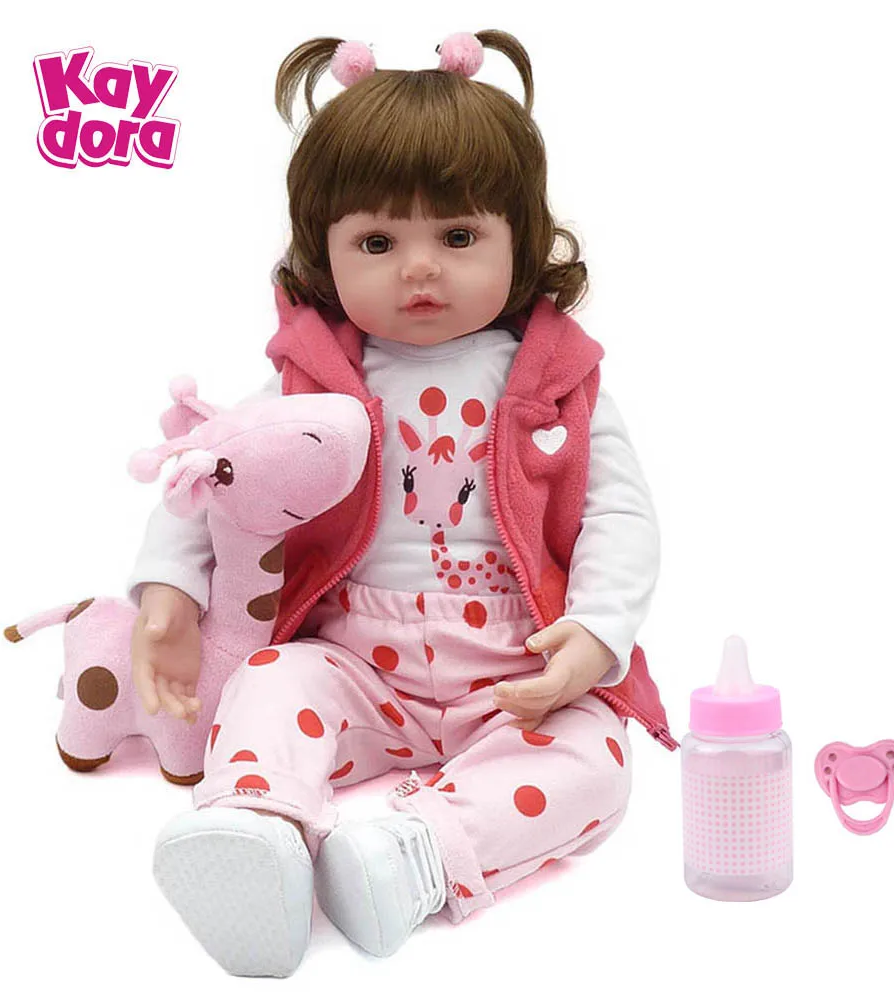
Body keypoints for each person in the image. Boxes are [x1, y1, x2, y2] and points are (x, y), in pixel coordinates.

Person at [128, 30, 673, 978]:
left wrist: (596, 633)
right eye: (378, 243)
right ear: (325, 253)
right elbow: (211, 472)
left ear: (520, 238)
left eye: (457, 238)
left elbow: (620, 518)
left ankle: (411, 857)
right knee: (274, 680)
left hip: (517, 673)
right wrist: (169, 592)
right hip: (355, 668)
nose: (420, 269)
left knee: (598, 763)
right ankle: (258, 831)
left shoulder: (558, 385)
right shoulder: (316, 384)